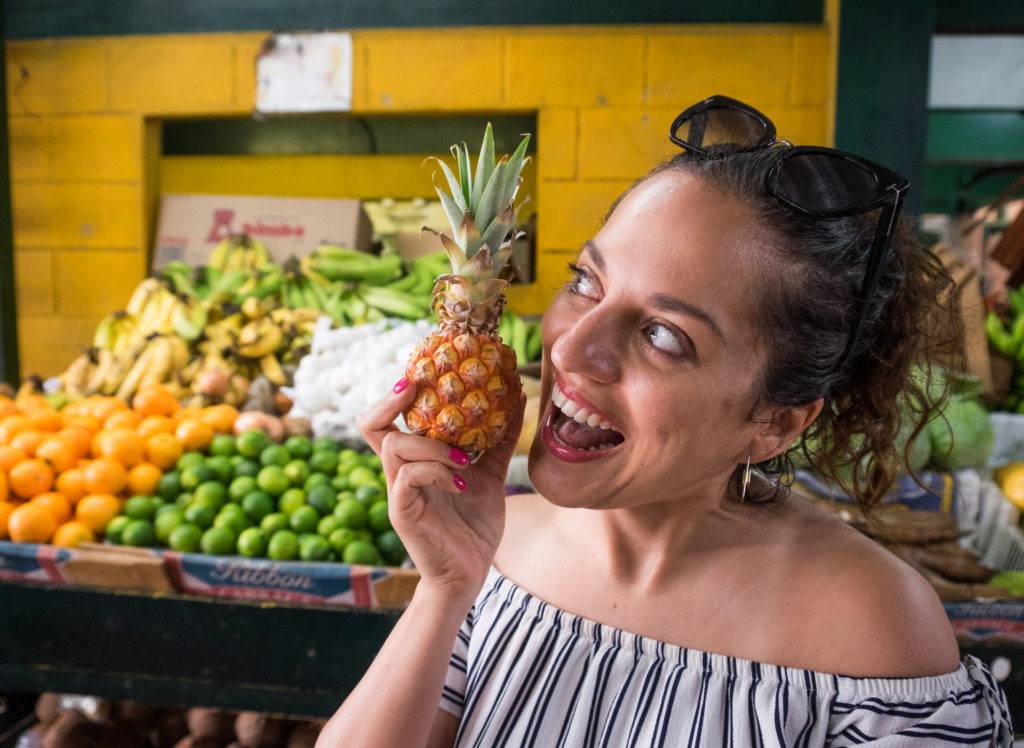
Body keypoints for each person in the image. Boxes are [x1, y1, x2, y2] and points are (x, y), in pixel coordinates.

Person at [316, 96, 1014, 746]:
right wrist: (443, 592)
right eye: (586, 280)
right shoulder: (495, 553)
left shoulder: (876, 630)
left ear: (776, 423)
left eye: (664, 336)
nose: (569, 347)